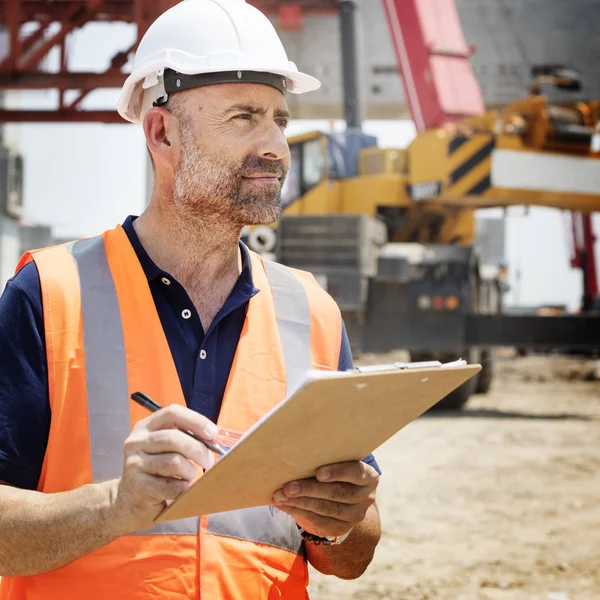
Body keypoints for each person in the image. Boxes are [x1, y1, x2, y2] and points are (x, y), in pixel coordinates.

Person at [0, 0, 381, 597]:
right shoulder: (49, 295)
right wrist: (113, 507)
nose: (275, 145)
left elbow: (352, 556)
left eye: (279, 119)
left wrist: (342, 523)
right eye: (244, 118)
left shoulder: (311, 312)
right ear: (163, 132)